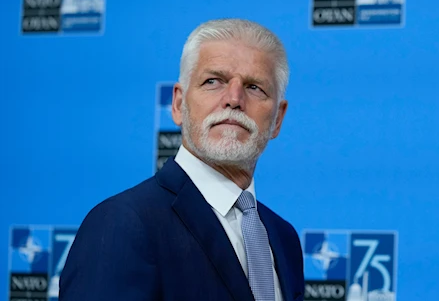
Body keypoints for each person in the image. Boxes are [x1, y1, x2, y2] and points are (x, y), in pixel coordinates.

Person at [59, 19, 305, 301]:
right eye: (213, 81)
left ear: (277, 120)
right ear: (178, 104)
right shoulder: (124, 223)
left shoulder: (284, 238)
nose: (234, 99)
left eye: (254, 87)